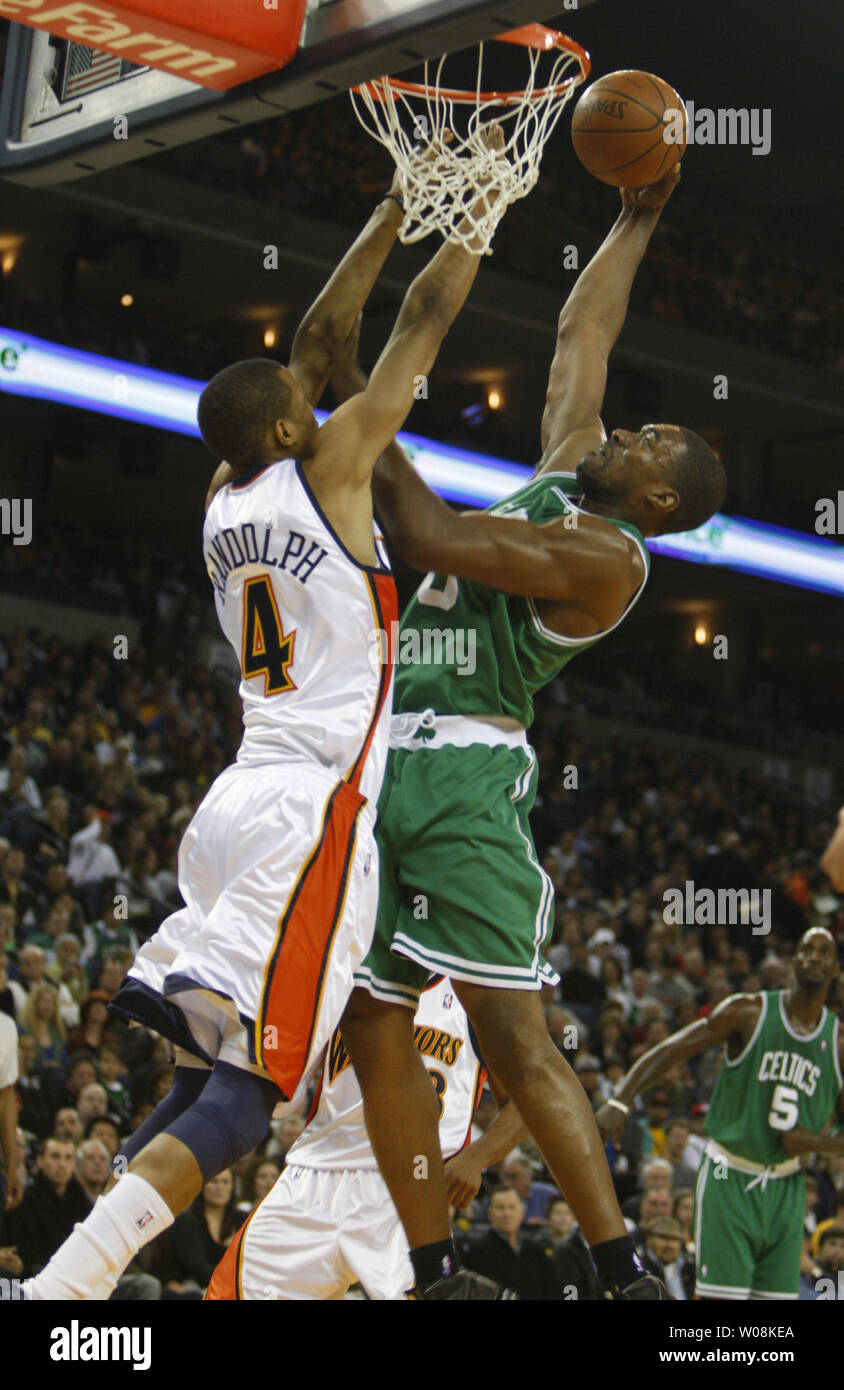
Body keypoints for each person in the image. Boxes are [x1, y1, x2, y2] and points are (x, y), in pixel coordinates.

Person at [25, 133, 514, 1302]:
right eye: (304, 399)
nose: (315, 389)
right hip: (309, 809)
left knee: (207, 1075)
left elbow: (312, 351)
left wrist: (397, 194)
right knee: (251, 1094)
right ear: (294, 429)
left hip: (236, 796)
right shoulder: (336, 468)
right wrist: (472, 223)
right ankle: (60, 1294)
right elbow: (408, 344)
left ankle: (68, 1283)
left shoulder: (221, 496)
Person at [334, 162, 726, 1300]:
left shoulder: (610, 558)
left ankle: (623, 1273)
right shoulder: (565, 473)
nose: (627, 429)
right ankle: (435, 1268)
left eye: (649, 439)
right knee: (372, 1019)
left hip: (462, 773)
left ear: (658, 497)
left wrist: (365, 410)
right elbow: (579, 330)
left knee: (513, 1039)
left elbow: (431, 540)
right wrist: (636, 211)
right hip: (381, 758)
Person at [207, 977, 525, 1300]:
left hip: (409, 1188)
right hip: (316, 1172)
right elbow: (289, 1093)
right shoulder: (347, 972)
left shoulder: (469, 994)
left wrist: (477, 1157)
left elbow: (526, 1102)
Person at [598, 927, 844, 1300]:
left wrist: (812, 1142)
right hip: (729, 1174)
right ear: (793, 961)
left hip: (787, 1185)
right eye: (806, 949)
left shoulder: (838, 1043)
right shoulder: (750, 1011)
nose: (813, 957)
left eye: (824, 953)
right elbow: (675, 1048)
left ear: (836, 969)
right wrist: (621, 1098)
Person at [9, 1137, 90, 1277]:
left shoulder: (84, 1203)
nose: (62, 1164)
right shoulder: (24, 1202)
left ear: (74, 1165)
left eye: (68, 1158)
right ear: (40, 1161)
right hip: (39, 1278)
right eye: (55, 1157)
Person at [460, 1186, 559, 1300]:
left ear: (522, 1211)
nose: (507, 1214)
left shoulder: (536, 1250)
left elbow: (552, 1291)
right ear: (490, 1214)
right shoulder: (478, 1252)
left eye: (512, 1207)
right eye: (500, 1208)